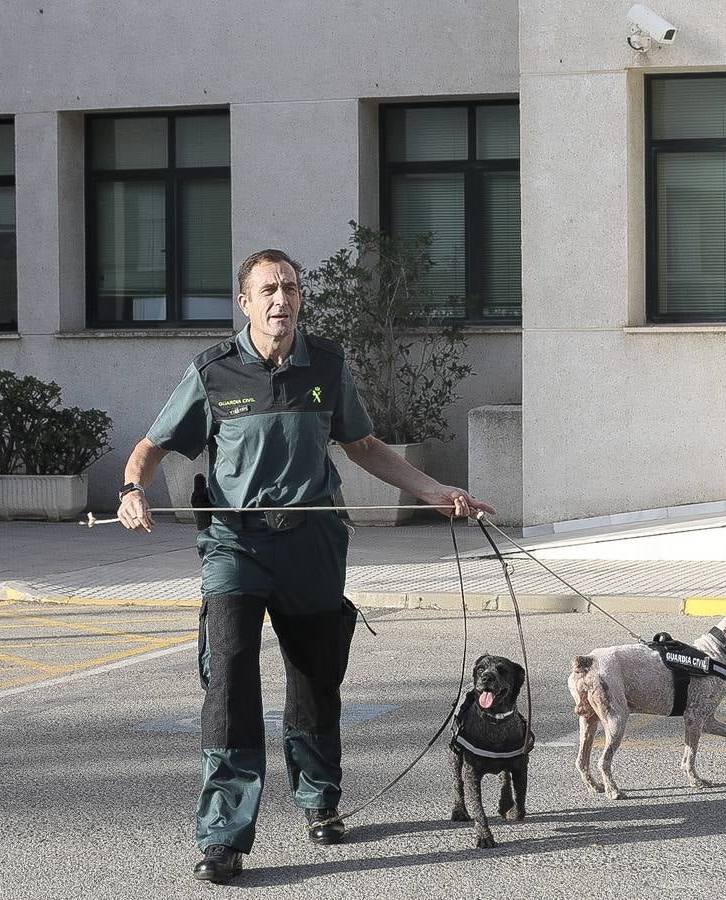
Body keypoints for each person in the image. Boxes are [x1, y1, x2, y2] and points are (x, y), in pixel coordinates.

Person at [117, 248, 494, 885]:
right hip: (237, 547)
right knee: (230, 675)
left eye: (290, 289)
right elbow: (151, 447)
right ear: (245, 302)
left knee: (316, 678)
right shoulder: (213, 372)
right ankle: (224, 835)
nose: (280, 300)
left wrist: (437, 493)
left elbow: (366, 447)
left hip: (313, 545)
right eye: (267, 290)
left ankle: (320, 799)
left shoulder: (327, 365)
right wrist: (132, 489)